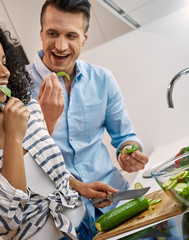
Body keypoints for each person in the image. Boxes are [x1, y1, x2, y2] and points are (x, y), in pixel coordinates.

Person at [0, 9, 118, 240]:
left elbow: (47, 171)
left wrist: (79, 186)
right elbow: (5, 217)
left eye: (4, 62)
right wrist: (14, 138)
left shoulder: (28, 108)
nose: (5, 71)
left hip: (87, 225)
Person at [26, 0, 149, 219]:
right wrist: (45, 120)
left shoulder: (102, 79)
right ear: (42, 33)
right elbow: (21, 161)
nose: (61, 46)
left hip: (114, 198)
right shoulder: (19, 87)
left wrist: (130, 152)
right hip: (64, 215)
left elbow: (125, 137)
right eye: (53, 33)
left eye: (71, 36)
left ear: (84, 38)